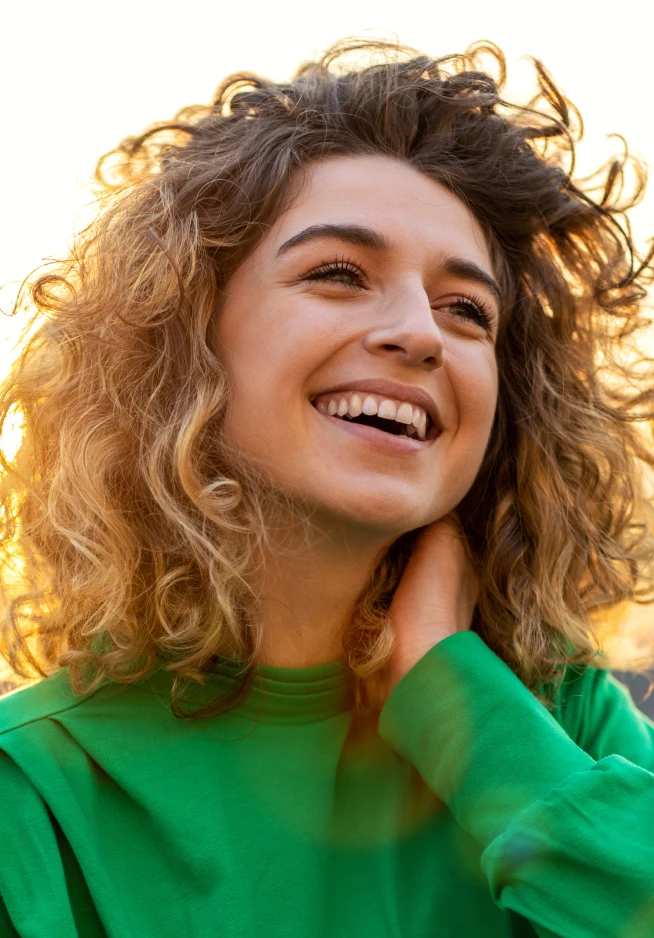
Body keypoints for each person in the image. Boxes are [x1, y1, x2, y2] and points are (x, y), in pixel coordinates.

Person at [0, 35, 653, 937]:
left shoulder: (565, 727)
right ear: (184, 341)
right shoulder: (32, 794)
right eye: (339, 274)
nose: (421, 333)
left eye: (467, 309)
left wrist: (451, 698)